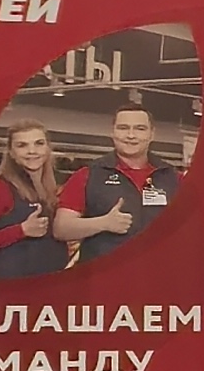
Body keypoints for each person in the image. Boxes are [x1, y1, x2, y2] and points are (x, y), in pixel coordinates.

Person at [59, 97, 175, 267]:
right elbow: (61, 228)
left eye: (140, 129)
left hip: (157, 273)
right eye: (123, 128)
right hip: (105, 276)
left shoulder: (173, 177)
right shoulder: (88, 175)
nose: (131, 135)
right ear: (112, 132)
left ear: (152, 134)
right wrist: (103, 223)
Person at [0, 118, 74, 279]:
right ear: (11, 152)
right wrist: (22, 230)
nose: (32, 151)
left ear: (48, 148)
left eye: (39, 143)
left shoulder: (54, 189)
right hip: (10, 286)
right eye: (22, 145)